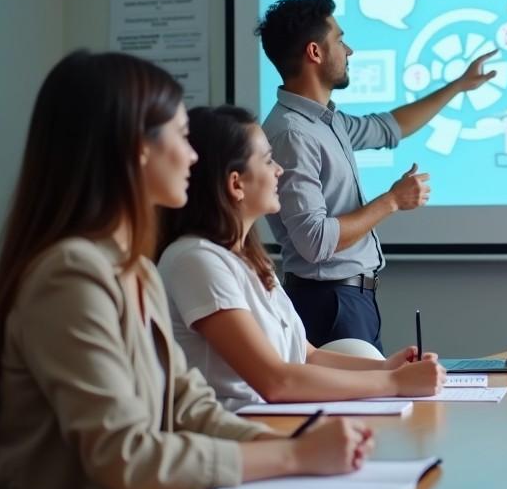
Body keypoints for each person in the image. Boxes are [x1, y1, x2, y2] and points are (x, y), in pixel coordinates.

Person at [0, 52, 373, 489]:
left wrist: (291, 448)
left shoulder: (136, 271)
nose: (192, 156)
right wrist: (292, 457)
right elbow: (123, 456)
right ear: (136, 149)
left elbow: (191, 406)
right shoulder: (70, 276)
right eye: (182, 136)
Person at [157, 105, 446, 411]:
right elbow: (276, 381)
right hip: (234, 438)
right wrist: (396, 384)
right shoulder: (195, 260)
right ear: (236, 184)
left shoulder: (248, 260)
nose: (279, 170)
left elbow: (308, 356)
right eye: (268, 161)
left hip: (271, 425)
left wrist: (390, 369)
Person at [256, 0, 497, 351]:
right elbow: (316, 241)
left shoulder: (326, 121)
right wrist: (392, 201)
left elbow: (389, 128)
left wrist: (458, 86)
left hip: (350, 299)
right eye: (339, 39)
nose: (349, 50)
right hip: (329, 303)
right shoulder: (293, 133)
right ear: (315, 52)